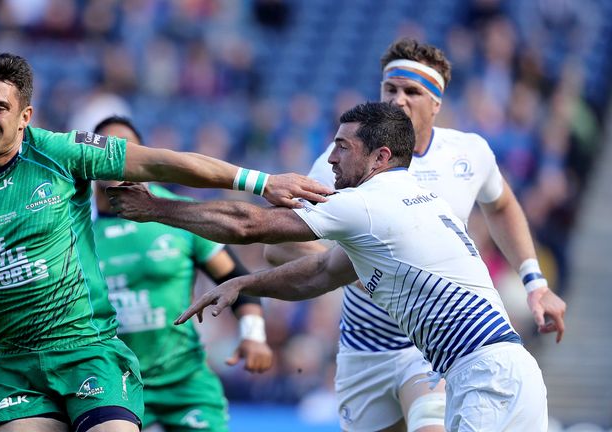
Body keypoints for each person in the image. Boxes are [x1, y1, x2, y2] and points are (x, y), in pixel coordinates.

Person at [0, 52, 330, 432]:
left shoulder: (60, 154)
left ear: (25, 117)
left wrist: (260, 181)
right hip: (15, 369)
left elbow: (162, 164)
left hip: (87, 350)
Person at [106, 102, 549, 431]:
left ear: (380, 157)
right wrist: (244, 282)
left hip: (484, 376)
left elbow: (248, 224)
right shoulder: (410, 200)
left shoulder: (368, 204)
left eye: (342, 147)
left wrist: (155, 209)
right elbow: (321, 273)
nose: (331, 158)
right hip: (503, 371)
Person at [260, 38, 566, 431]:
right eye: (390, 89)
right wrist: (352, 263)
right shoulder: (338, 165)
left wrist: (534, 280)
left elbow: (502, 205)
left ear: (436, 103)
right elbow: (277, 247)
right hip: (364, 345)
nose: (398, 100)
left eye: (412, 91)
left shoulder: (467, 154)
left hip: (431, 345)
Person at [91, 116, 273, 431]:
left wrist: (253, 335)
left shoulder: (178, 214)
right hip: (111, 384)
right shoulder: (71, 229)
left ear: (141, 157)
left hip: (184, 381)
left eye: (127, 149)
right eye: (108, 149)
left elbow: (238, 280)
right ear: (89, 161)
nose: (117, 158)